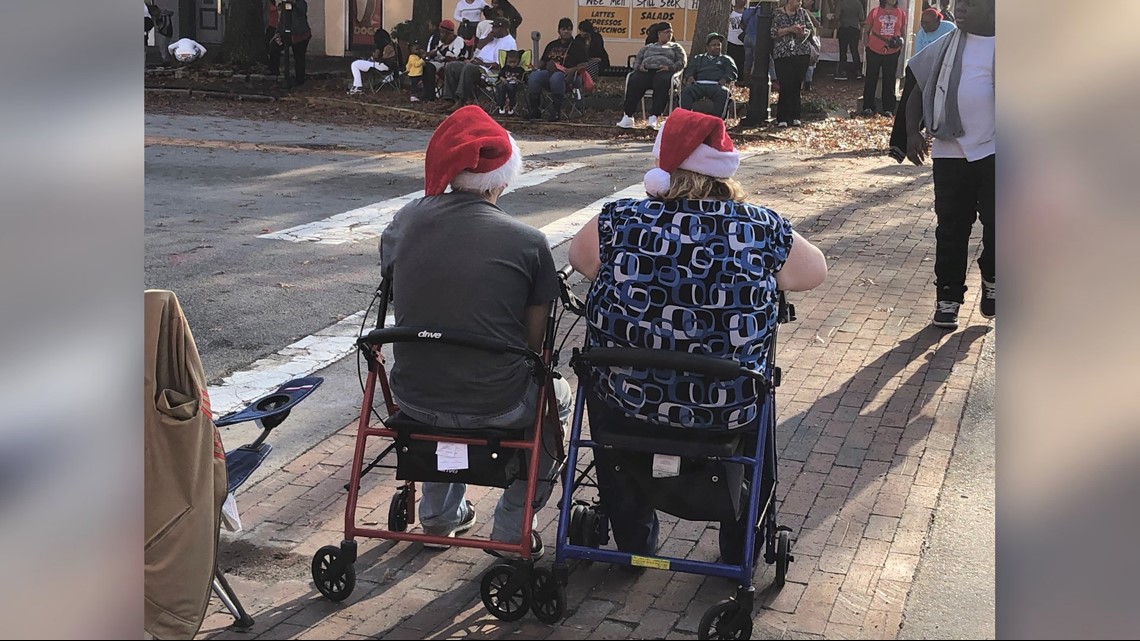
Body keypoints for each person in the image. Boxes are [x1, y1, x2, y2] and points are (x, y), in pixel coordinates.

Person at [567, 108, 827, 559]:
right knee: (757, 393)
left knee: (604, 391)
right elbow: (814, 272)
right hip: (724, 405)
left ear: (663, 170)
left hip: (629, 400)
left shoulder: (619, 219)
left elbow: (582, 261)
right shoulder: (758, 226)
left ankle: (633, 538)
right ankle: (738, 547)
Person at [379, 105, 573, 559]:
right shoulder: (528, 242)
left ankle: (440, 516)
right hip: (497, 403)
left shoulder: (405, 221)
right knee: (555, 397)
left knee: (441, 371)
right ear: (503, 179)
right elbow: (533, 342)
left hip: (413, 396)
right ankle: (509, 530)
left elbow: (394, 291)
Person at [897, 0, 994, 329]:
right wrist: (912, 132)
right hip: (950, 150)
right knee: (951, 229)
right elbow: (917, 92)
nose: (960, 9)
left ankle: (993, 275)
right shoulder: (946, 46)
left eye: (969, 4)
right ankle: (948, 298)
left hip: (998, 150)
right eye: (958, 3)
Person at [616, 22, 687, 130]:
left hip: (665, 71)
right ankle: (628, 116)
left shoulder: (676, 47)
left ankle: (654, 117)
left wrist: (670, 67)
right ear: (659, 34)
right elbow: (637, 60)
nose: (669, 34)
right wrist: (639, 67)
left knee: (662, 82)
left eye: (671, 32)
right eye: (666, 32)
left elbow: (682, 62)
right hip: (647, 71)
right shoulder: (648, 47)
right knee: (634, 80)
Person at [442, 17, 516, 109]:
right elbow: (479, 46)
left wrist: (482, 63)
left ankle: (461, 100)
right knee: (452, 66)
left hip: (489, 73)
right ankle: (449, 99)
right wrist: (487, 40)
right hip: (476, 65)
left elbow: (503, 65)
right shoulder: (492, 38)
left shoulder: (509, 43)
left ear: (503, 29)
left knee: (469, 68)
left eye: (495, 28)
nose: (492, 30)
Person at [526, 17, 590, 122]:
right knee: (534, 77)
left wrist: (571, 70)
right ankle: (535, 110)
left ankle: (555, 111)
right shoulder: (552, 44)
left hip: (570, 77)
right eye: (563, 29)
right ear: (558, 31)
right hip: (549, 73)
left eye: (569, 29)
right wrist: (535, 67)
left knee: (557, 77)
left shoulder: (577, 45)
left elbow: (584, 64)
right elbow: (543, 60)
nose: (566, 31)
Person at [771, 0, 815, 127]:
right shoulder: (777, 14)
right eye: (797, 0)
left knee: (796, 85)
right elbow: (773, 32)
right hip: (783, 54)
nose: (800, 3)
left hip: (801, 53)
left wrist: (803, 33)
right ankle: (782, 118)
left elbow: (811, 30)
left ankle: (796, 116)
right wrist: (790, 29)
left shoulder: (803, 13)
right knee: (785, 85)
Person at [861, 0, 906, 116]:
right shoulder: (875, 12)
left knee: (889, 80)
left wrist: (900, 44)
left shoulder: (900, 13)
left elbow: (903, 33)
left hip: (892, 51)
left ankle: (888, 108)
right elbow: (866, 31)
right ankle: (868, 106)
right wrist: (867, 46)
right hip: (874, 50)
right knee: (871, 78)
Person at [679, 33, 738, 119]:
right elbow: (690, 70)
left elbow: (732, 72)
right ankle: (685, 118)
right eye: (714, 45)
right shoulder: (698, 58)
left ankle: (717, 120)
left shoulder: (726, 59)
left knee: (724, 93)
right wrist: (690, 76)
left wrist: (725, 79)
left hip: (717, 85)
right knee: (686, 91)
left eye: (719, 45)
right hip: (699, 84)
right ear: (707, 47)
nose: (717, 47)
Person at [419, 19, 468, 103]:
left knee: (430, 67)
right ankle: (428, 94)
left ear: (449, 34)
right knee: (426, 65)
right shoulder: (442, 42)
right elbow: (437, 51)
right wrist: (427, 54)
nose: (441, 35)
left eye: (442, 33)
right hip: (442, 63)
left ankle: (430, 96)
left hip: (455, 65)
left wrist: (440, 53)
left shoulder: (458, 41)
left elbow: (454, 56)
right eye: (440, 32)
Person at [271, 0, 313, 86]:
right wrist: (278, 33)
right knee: (273, 47)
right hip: (286, 35)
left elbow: (302, 10)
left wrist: (293, 3)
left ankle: (299, 80)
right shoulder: (285, 5)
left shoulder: (301, 3)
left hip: (300, 36)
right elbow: (281, 20)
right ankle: (275, 73)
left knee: (299, 57)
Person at [347, 27, 399, 95]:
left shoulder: (386, 47)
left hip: (383, 66)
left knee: (354, 64)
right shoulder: (392, 45)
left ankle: (358, 86)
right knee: (358, 63)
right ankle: (357, 86)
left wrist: (374, 58)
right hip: (386, 67)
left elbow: (383, 59)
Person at [834, 0, 864, 80]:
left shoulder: (841, 3)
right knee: (854, 50)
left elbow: (837, 16)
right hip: (855, 29)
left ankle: (843, 72)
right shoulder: (858, 3)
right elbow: (862, 17)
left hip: (844, 27)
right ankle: (858, 72)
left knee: (843, 50)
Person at [495, 49, 525, 115]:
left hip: (514, 85)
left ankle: (511, 106)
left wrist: (518, 80)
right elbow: (500, 76)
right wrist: (503, 79)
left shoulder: (520, 70)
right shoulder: (505, 68)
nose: (512, 64)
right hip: (504, 83)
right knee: (500, 87)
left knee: (510, 87)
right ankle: (501, 106)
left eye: (514, 62)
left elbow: (522, 79)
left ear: (518, 61)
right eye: (510, 62)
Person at [727, 0, 748, 79]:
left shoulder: (747, 12)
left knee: (741, 65)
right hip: (731, 41)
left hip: (743, 43)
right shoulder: (730, 11)